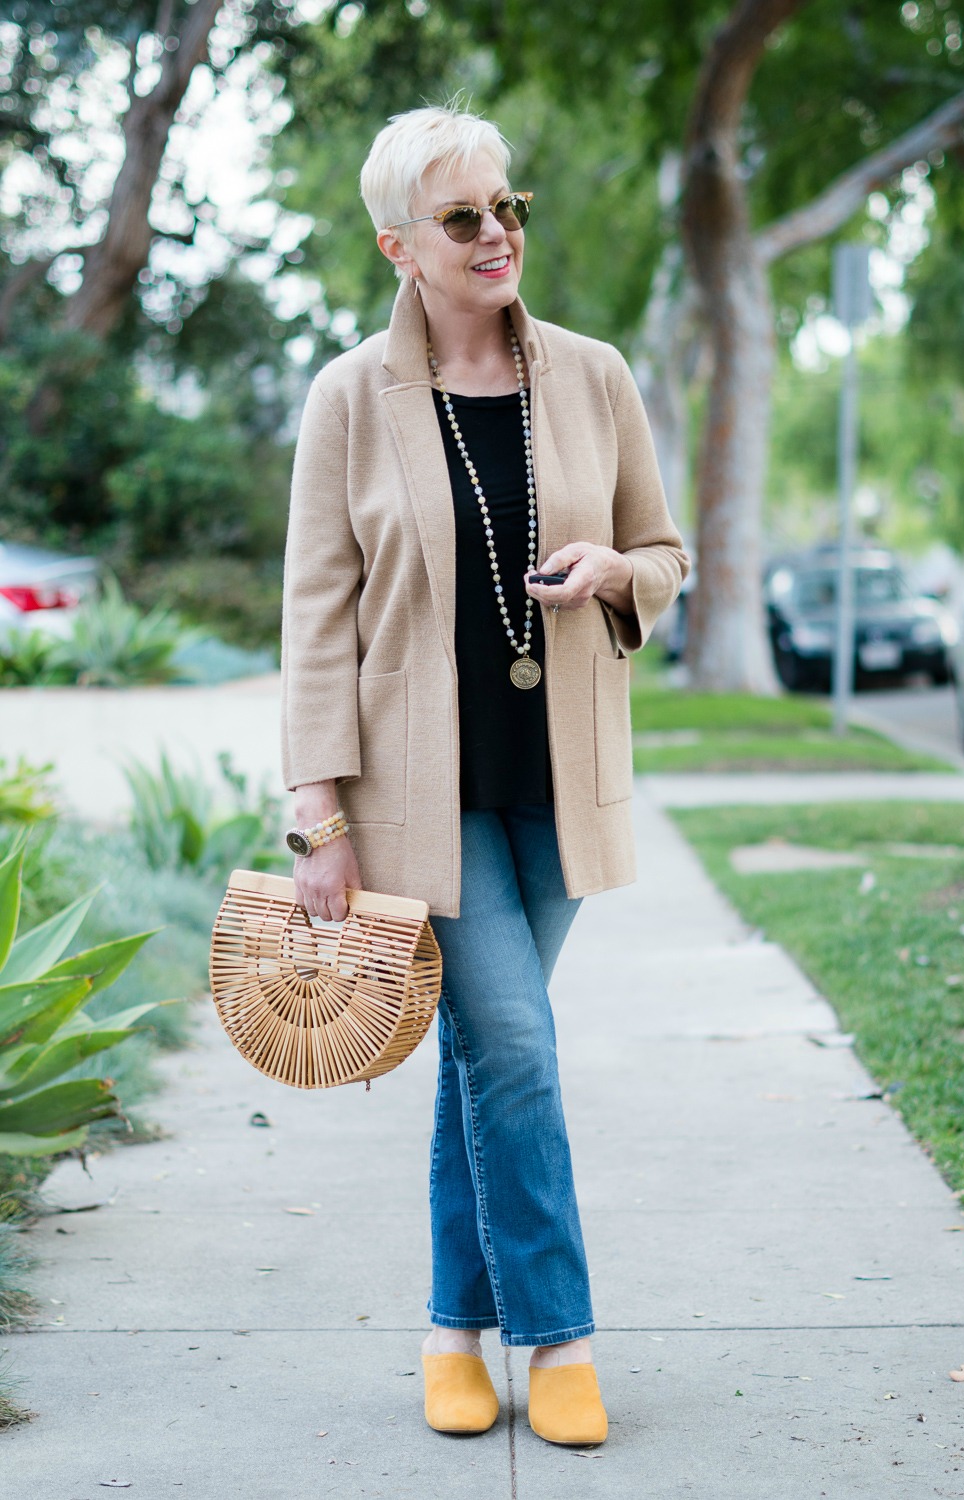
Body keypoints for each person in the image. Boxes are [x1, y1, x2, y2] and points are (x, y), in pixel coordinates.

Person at [280, 101, 689, 1448]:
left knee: (481, 1057)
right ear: (397, 243)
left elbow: (664, 551)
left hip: (555, 781)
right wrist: (315, 811)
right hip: (414, 796)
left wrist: (619, 574)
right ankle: (557, 1340)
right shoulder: (350, 396)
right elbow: (316, 616)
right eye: (464, 217)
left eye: (507, 207)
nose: (496, 233)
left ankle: (450, 1330)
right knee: (511, 1043)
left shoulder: (591, 374)